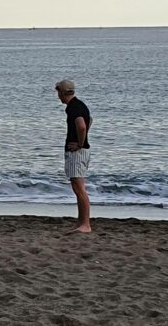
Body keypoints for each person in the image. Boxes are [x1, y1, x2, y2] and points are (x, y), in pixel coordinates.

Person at [56, 79, 92, 233]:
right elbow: (90, 120)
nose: (58, 96)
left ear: (63, 93)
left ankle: (85, 224)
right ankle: (81, 223)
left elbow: (82, 125)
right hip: (81, 151)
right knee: (78, 187)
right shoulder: (79, 104)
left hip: (77, 152)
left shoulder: (74, 108)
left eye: (58, 92)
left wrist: (79, 143)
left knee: (79, 188)